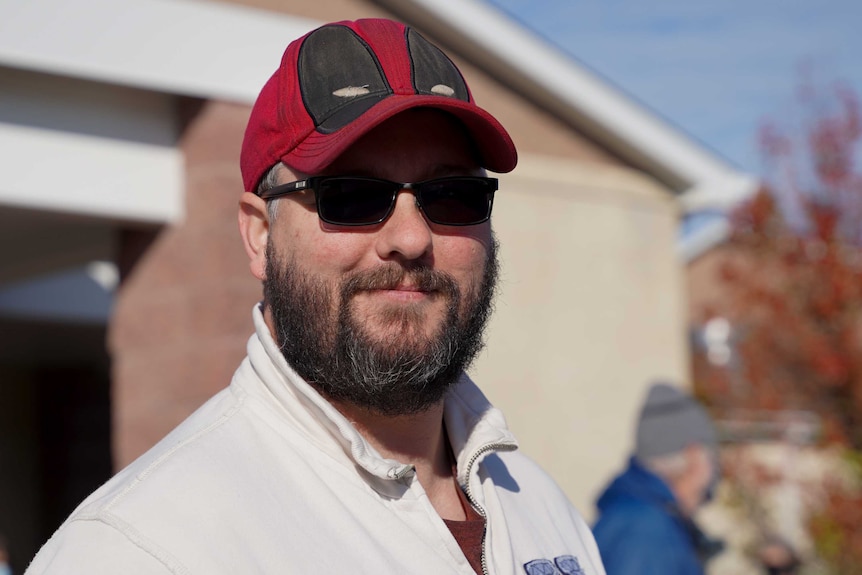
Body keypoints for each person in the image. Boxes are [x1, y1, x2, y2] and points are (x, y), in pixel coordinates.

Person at [26, 18, 606, 575]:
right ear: (259, 235)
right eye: (350, 196)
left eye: (452, 195)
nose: (410, 238)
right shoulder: (144, 549)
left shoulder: (541, 509)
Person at [592, 382, 724, 575]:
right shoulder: (645, 531)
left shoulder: (646, 520)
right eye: (712, 458)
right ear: (693, 455)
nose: (715, 471)